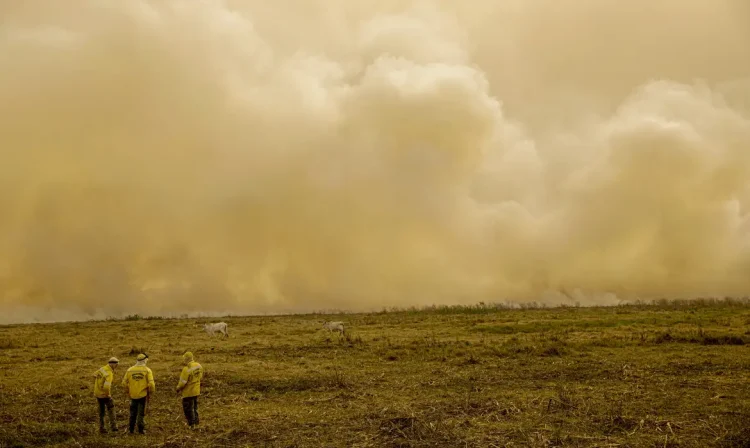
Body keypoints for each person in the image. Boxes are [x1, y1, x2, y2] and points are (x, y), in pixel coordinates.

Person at [121, 353, 155, 435]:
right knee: (141, 413)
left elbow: (123, 383)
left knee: (132, 413)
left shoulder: (129, 370)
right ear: (145, 360)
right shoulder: (147, 370)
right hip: (142, 396)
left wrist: (128, 391)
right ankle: (141, 430)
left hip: (133, 395)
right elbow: (151, 384)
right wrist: (151, 391)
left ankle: (131, 430)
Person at [175, 351, 203, 429]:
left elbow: (182, 383)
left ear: (186, 359)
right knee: (195, 408)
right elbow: (200, 377)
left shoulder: (186, 369)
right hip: (196, 391)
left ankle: (192, 425)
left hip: (188, 392)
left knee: (188, 409)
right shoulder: (199, 366)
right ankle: (196, 422)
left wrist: (178, 388)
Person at [93, 357, 120, 433]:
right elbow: (107, 386)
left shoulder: (102, 368)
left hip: (97, 393)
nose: (117, 366)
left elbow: (94, 374)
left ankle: (102, 428)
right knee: (111, 410)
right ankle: (114, 427)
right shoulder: (109, 373)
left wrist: (99, 382)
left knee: (101, 412)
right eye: (116, 364)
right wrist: (108, 395)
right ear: (112, 364)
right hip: (104, 395)